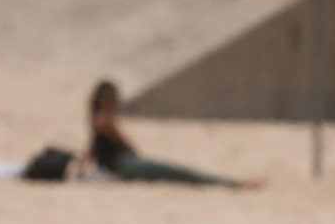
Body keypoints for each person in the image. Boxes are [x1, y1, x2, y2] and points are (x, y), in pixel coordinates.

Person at [81, 79, 240, 187]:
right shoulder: (104, 120)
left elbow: (93, 148)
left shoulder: (94, 119)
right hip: (123, 164)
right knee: (176, 172)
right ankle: (226, 183)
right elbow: (124, 143)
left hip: (116, 165)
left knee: (173, 172)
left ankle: (226, 182)